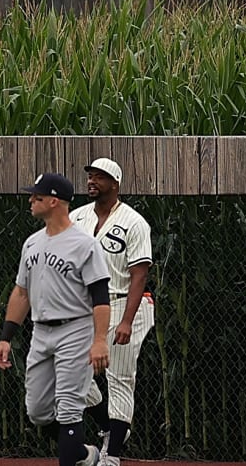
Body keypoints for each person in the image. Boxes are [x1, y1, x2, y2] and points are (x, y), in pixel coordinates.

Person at [0, 173, 112, 466]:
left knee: (70, 408)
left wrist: (99, 340)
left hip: (76, 329)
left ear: (54, 200)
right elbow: (21, 293)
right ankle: (85, 455)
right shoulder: (32, 244)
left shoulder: (84, 244)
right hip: (41, 332)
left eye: (37, 195)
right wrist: (6, 336)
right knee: (37, 411)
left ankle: (73, 456)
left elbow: (100, 297)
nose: (30, 200)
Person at [72, 157, 153, 466]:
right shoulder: (77, 217)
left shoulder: (133, 222)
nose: (92, 180)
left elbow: (139, 274)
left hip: (123, 302)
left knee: (119, 377)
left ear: (115, 184)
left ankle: (113, 455)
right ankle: (109, 428)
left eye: (100, 177)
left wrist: (127, 321)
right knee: (74, 374)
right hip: (86, 307)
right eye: (90, 175)